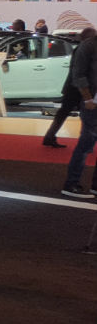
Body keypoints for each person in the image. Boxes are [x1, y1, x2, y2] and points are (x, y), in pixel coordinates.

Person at [46, 27, 97, 149]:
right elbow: (80, 72)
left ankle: (50, 136)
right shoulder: (85, 49)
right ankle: (84, 141)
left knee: (64, 113)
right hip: (78, 87)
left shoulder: (79, 48)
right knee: (86, 115)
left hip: (73, 87)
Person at [61, 29, 97, 198]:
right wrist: (88, 99)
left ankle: (94, 186)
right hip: (92, 103)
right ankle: (71, 184)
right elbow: (79, 75)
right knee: (85, 144)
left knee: (86, 143)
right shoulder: (88, 46)